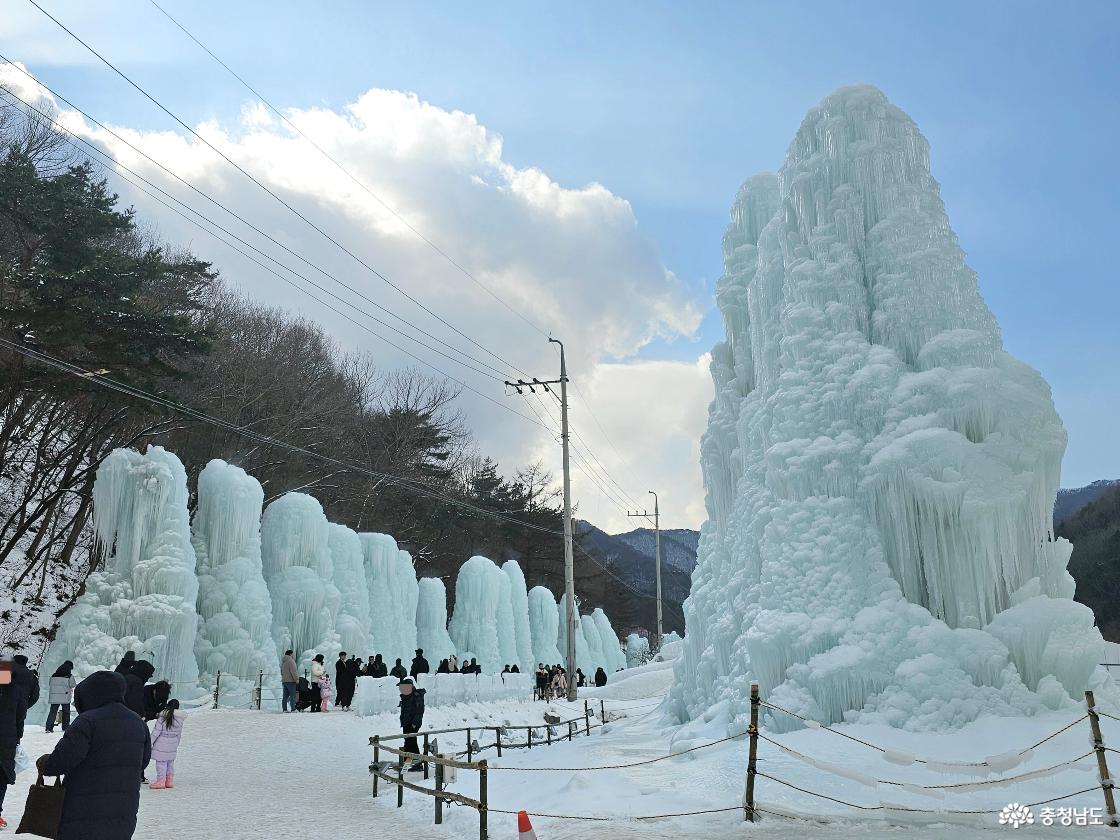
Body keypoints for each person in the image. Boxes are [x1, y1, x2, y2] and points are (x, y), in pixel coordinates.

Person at [38, 670, 151, 840]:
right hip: (123, 812)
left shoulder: (87, 721)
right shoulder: (137, 722)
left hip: (83, 813)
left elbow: (60, 762)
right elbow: (143, 762)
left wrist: (44, 763)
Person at [0, 658, 22, 831]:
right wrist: (17, 737)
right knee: (2, 776)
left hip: (7, 738)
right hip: (7, 739)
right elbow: (20, 716)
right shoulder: (16, 691)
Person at [148, 699, 183, 790]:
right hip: (173, 743)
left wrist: (149, 743)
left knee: (161, 763)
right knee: (170, 763)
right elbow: (179, 734)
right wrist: (176, 744)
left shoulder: (162, 717)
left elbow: (156, 732)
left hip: (161, 743)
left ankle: (160, 782)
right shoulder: (180, 719)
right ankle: (169, 781)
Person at [397, 678, 426, 772]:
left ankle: (417, 764)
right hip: (406, 723)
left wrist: (414, 723)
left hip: (412, 723)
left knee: (412, 742)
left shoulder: (416, 696)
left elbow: (420, 711)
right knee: (408, 742)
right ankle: (407, 763)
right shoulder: (406, 696)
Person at [46, 660, 77, 732]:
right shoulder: (69, 676)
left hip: (54, 697)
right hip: (65, 696)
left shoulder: (53, 675)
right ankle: (65, 727)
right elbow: (73, 685)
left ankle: (48, 727)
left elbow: (50, 683)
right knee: (66, 712)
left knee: (52, 712)